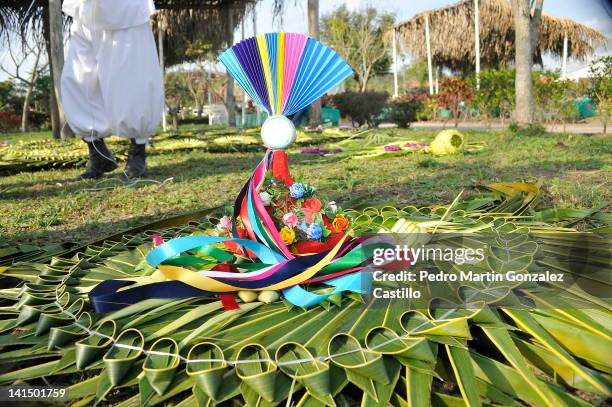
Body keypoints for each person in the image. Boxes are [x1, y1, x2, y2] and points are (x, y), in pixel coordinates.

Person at [61, 0, 164, 178]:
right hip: (84, 9)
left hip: (126, 9)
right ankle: (98, 154)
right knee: (77, 79)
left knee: (132, 79)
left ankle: (137, 154)